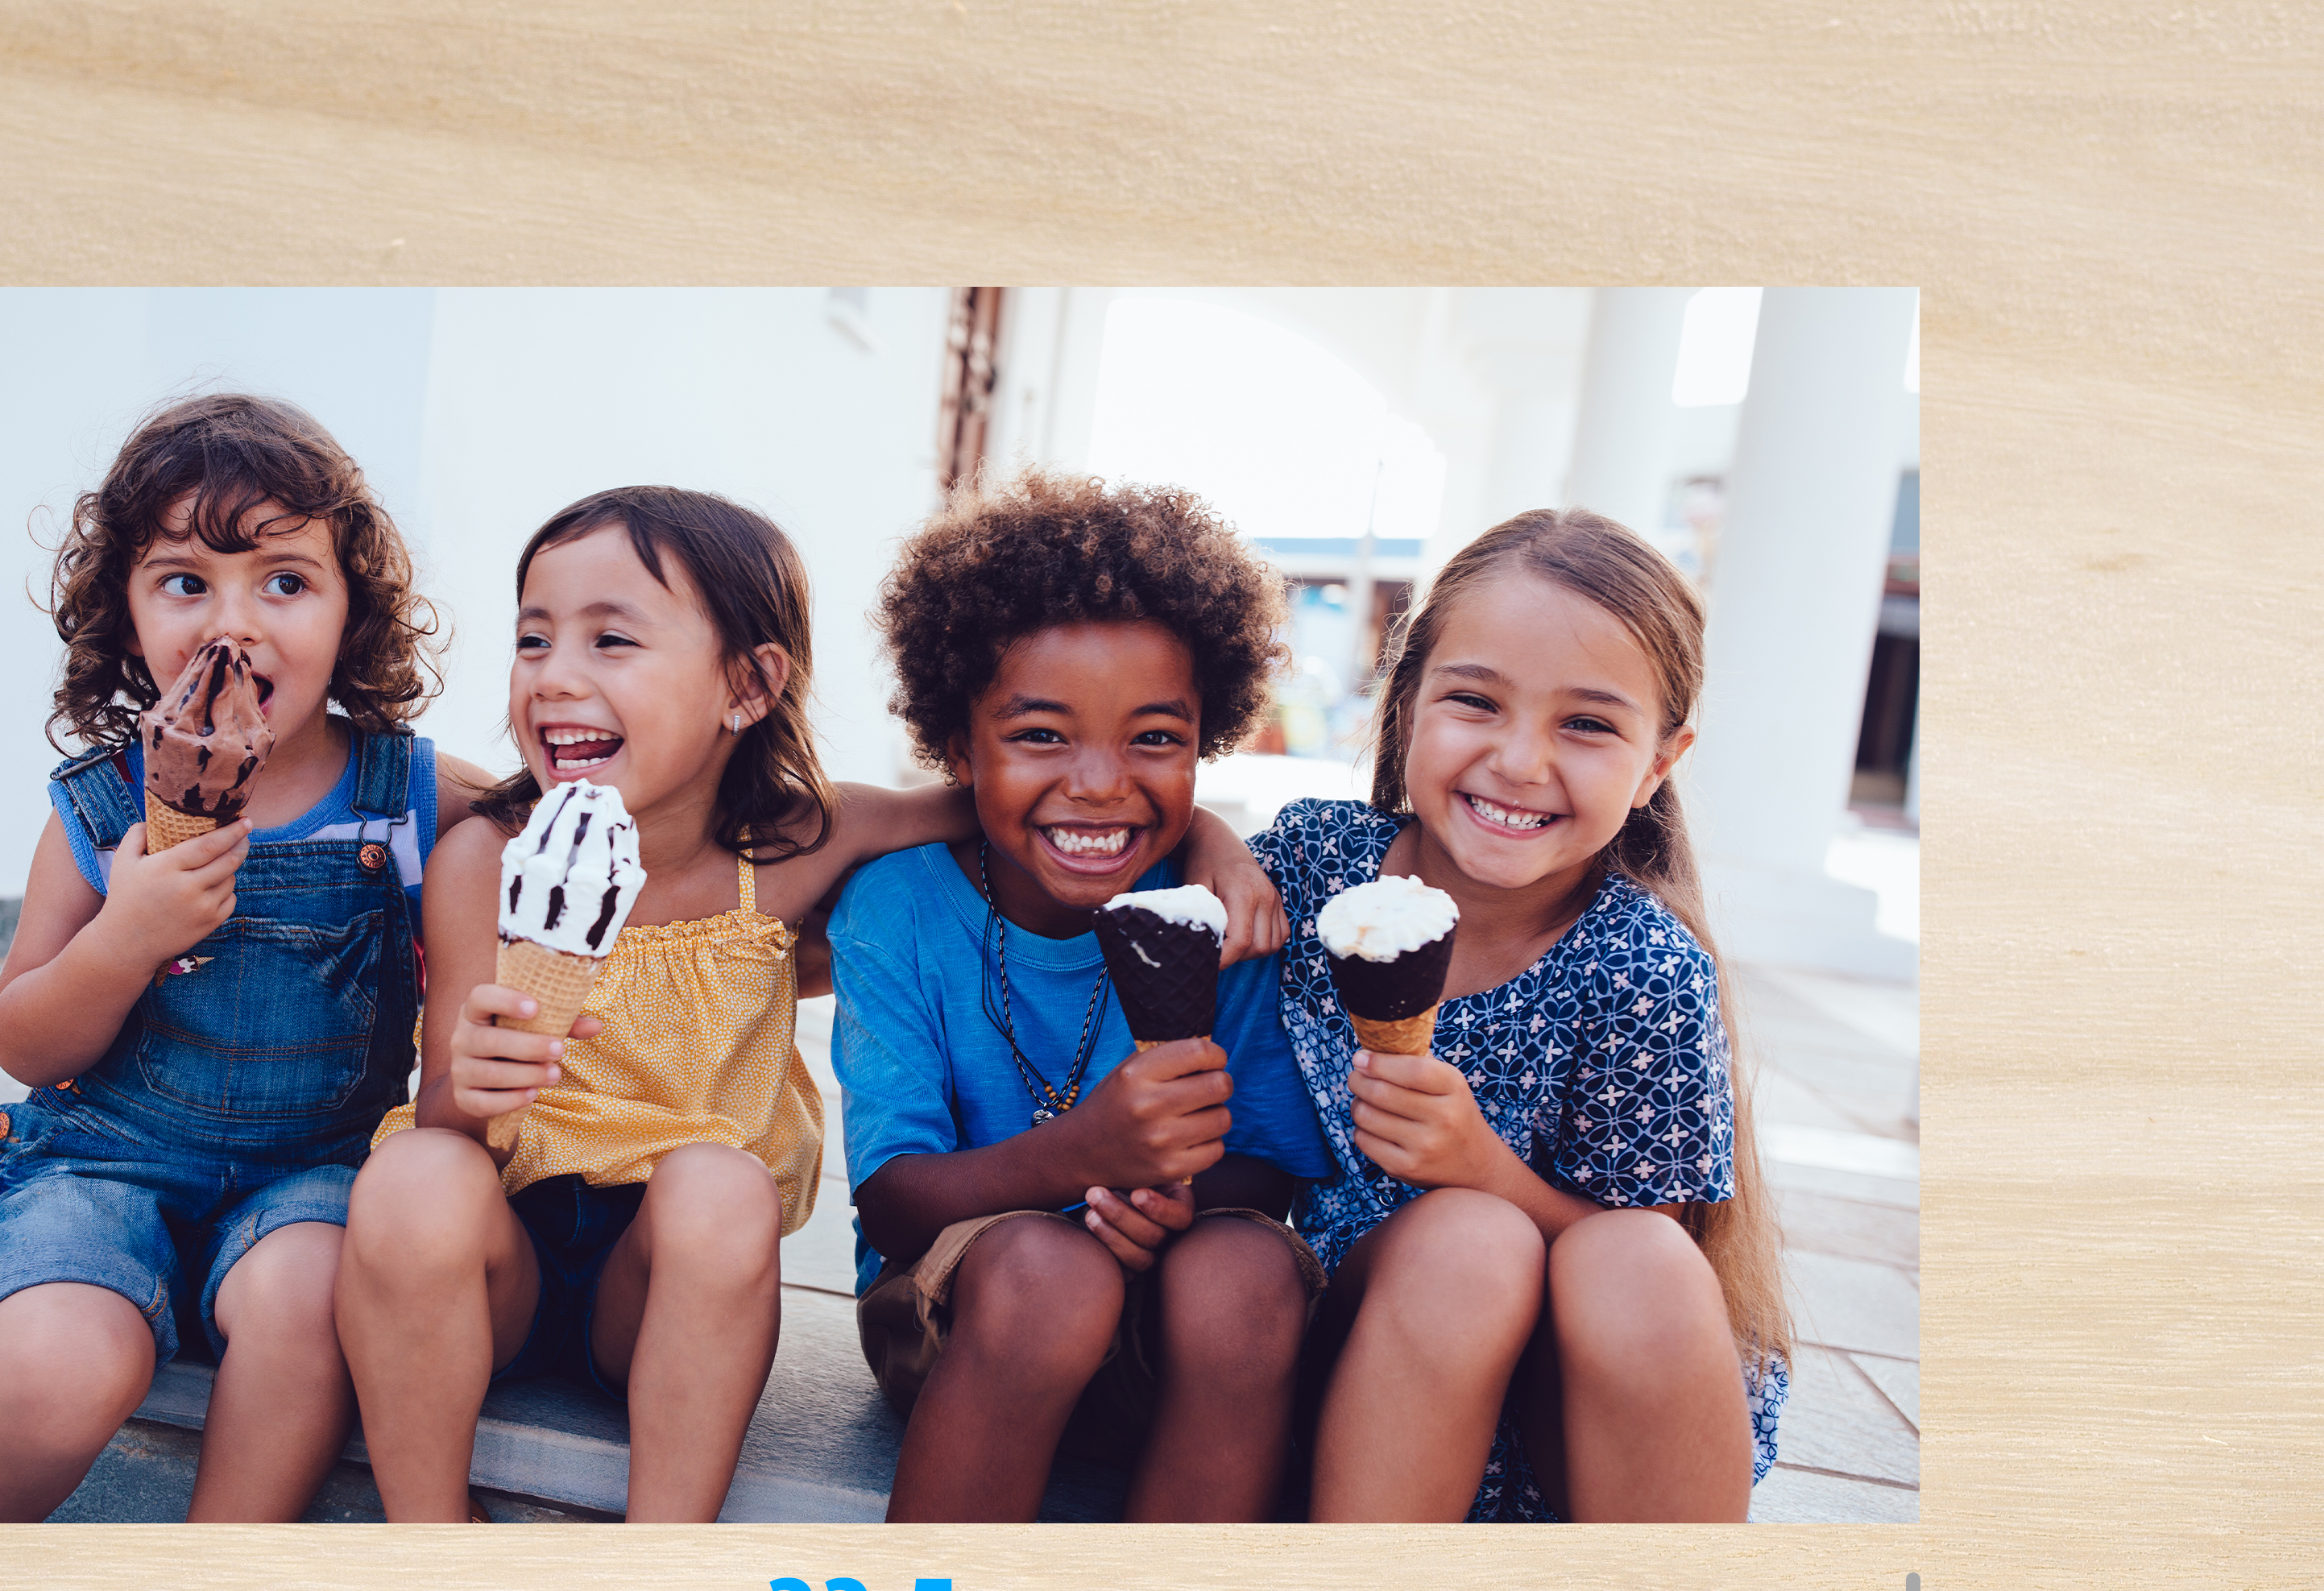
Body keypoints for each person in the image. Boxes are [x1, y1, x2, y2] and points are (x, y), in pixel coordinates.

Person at [338, 487, 1278, 1525]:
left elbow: (1027, 801)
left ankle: (663, 1571)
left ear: (749, 686)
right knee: (414, 1172)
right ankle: (428, 1540)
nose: (556, 676)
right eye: (533, 639)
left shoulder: (795, 849)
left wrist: (1212, 840)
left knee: (721, 1187)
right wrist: (471, 1092)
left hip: (664, 1279)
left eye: (611, 641)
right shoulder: (488, 860)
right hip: (496, 1261)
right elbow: (451, 1137)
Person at [0, 394, 458, 1522]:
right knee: (52, 1369)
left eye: (284, 580)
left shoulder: (403, 794)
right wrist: (123, 939)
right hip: (98, 1163)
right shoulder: (99, 806)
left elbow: (569, 814)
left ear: (348, 609)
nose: (236, 625)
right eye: (185, 581)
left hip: (308, 1176)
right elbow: (23, 1038)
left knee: (317, 1297)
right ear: (126, 617)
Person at [1253, 508, 1793, 1523]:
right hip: (1355, 1368)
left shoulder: (1643, 968)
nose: (1519, 760)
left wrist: (1484, 1170)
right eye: (1476, 702)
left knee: (1628, 1256)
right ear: (1408, 703)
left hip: (1564, 1428)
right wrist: (1202, 844)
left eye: (1587, 724)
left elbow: (1645, 1255)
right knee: (1466, 1247)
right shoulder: (1312, 866)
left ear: (1659, 764)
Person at [835, 478, 1332, 1523]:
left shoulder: (1224, 917)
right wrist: (1081, 1158)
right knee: (1048, 1274)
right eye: (1042, 736)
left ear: (1207, 741)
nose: (1101, 782)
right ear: (958, 743)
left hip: (1164, 1334)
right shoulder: (900, 911)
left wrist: (1172, 1205)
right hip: (969, 1318)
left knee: (1249, 1270)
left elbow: (1265, 1169)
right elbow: (891, 1198)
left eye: (1154, 739)